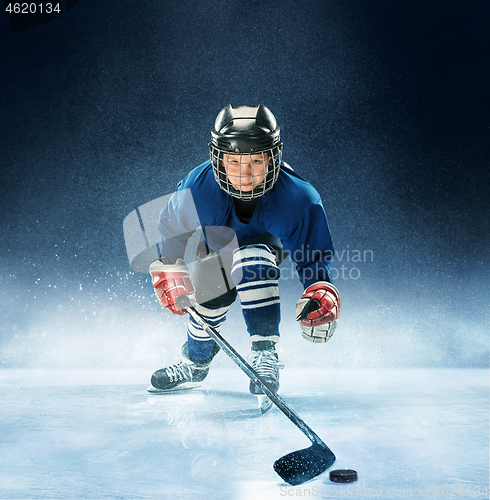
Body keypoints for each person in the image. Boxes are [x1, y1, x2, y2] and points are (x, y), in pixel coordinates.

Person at [147, 104, 341, 411]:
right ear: (218, 159)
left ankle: (265, 355)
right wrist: (169, 267)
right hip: (215, 250)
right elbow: (171, 225)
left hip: (261, 251)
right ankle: (195, 364)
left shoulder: (298, 199)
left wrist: (320, 291)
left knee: (252, 259)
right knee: (208, 298)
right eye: (234, 162)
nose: (245, 174)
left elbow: (312, 258)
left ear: (273, 158)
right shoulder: (197, 187)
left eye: (256, 161)